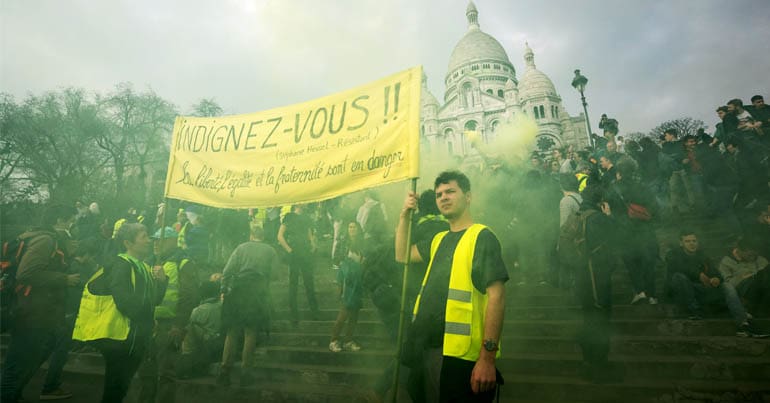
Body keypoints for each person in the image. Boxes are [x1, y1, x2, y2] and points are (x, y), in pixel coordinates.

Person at [395, 170, 508, 402]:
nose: (443, 197)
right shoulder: (439, 239)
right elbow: (401, 254)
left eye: (450, 191)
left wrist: (487, 359)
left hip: (463, 358)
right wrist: (404, 215)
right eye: (438, 195)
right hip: (427, 349)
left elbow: (496, 297)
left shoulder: (482, 236)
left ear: (468, 197)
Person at [72, 223, 168, 403]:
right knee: (115, 389)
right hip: (121, 340)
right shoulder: (121, 265)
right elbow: (127, 304)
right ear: (127, 243)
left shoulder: (143, 267)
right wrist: (146, 317)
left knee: (119, 389)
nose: (149, 241)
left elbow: (154, 301)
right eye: (143, 237)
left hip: (137, 338)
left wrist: (162, 281)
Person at [0, 205, 79, 403]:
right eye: (71, 220)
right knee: (16, 364)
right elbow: (26, 273)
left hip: (35, 312)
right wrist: (64, 279)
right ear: (60, 220)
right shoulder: (46, 240)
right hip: (29, 313)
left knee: (26, 360)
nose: (72, 225)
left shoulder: (36, 236)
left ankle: (13, 395)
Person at [138, 227, 200, 403]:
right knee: (145, 372)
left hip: (168, 326)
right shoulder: (148, 261)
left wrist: (179, 325)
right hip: (147, 324)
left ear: (173, 240)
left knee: (166, 373)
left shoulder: (184, 263)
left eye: (161, 239)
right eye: (155, 239)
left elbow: (190, 297)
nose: (156, 243)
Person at [217, 224, 279, 386]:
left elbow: (227, 271)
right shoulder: (270, 250)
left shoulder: (241, 248)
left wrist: (224, 289)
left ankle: (224, 371)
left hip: (238, 290)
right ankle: (246, 373)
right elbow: (274, 275)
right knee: (250, 333)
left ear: (251, 235)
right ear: (263, 236)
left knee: (232, 332)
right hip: (257, 293)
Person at [573, 185, 623, 383]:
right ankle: (599, 364)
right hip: (597, 277)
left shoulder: (577, 216)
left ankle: (588, 361)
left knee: (588, 317)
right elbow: (618, 236)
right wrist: (609, 216)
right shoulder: (598, 218)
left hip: (582, 275)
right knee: (600, 319)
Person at [40, 237, 100, 400]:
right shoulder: (76, 269)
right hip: (68, 315)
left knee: (48, 349)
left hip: (61, 314)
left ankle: (34, 381)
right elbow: (83, 291)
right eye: (91, 256)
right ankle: (50, 387)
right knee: (60, 351)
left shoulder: (69, 265)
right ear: (87, 255)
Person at [717, 239, 770, 337]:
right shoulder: (727, 261)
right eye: (749, 255)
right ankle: (746, 318)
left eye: (755, 254)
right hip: (741, 290)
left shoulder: (761, 260)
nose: (752, 257)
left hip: (761, 292)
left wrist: (755, 275)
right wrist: (742, 277)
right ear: (738, 251)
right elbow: (727, 283)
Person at [277, 204, 320, 325]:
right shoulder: (289, 217)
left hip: (305, 251)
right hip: (295, 251)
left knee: (309, 282)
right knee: (293, 283)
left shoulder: (306, 218)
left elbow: (309, 234)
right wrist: (289, 250)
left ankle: (315, 311)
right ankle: (293, 314)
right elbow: (280, 235)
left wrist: (312, 245)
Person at [329, 221, 365, 353]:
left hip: (358, 280)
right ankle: (334, 340)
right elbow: (338, 261)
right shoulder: (343, 242)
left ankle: (349, 340)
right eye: (350, 227)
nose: (352, 229)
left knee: (354, 315)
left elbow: (365, 259)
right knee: (343, 314)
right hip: (346, 280)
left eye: (354, 227)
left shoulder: (362, 243)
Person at [177, 280, 224, 379]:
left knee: (189, 329)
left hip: (206, 348)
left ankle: (185, 362)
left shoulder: (199, 310)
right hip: (222, 346)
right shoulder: (223, 306)